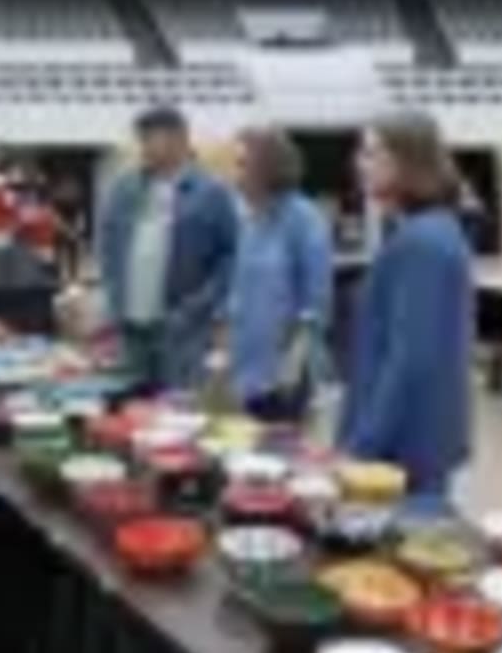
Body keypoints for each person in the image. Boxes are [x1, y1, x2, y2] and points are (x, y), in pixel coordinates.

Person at [340, 111, 473, 498]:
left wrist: (362, 446)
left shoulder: (421, 242)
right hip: (415, 440)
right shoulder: (431, 231)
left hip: (402, 450)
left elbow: (411, 361)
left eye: (371, 153)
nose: (359, 163)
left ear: (408, 161)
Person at [97, 105, 238, 391]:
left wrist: (198, 306)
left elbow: (232, 258)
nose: (143, 145)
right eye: (141, 137)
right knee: (131, 408)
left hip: (181, 330)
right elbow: (108, 246)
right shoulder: (124, 188)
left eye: (151, 137)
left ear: (179, 139)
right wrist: (113, 300)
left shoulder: (212, 193)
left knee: (177, 412)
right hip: (130, 327)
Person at [220, 127, 332, 422]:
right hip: (245, 368)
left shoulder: (304, 219)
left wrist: (291, 369)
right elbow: (239, 292)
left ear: (268, 166)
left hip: (285, 376)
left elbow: (316, 304)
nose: (235, 172)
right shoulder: (248, 220)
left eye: (243, 163)